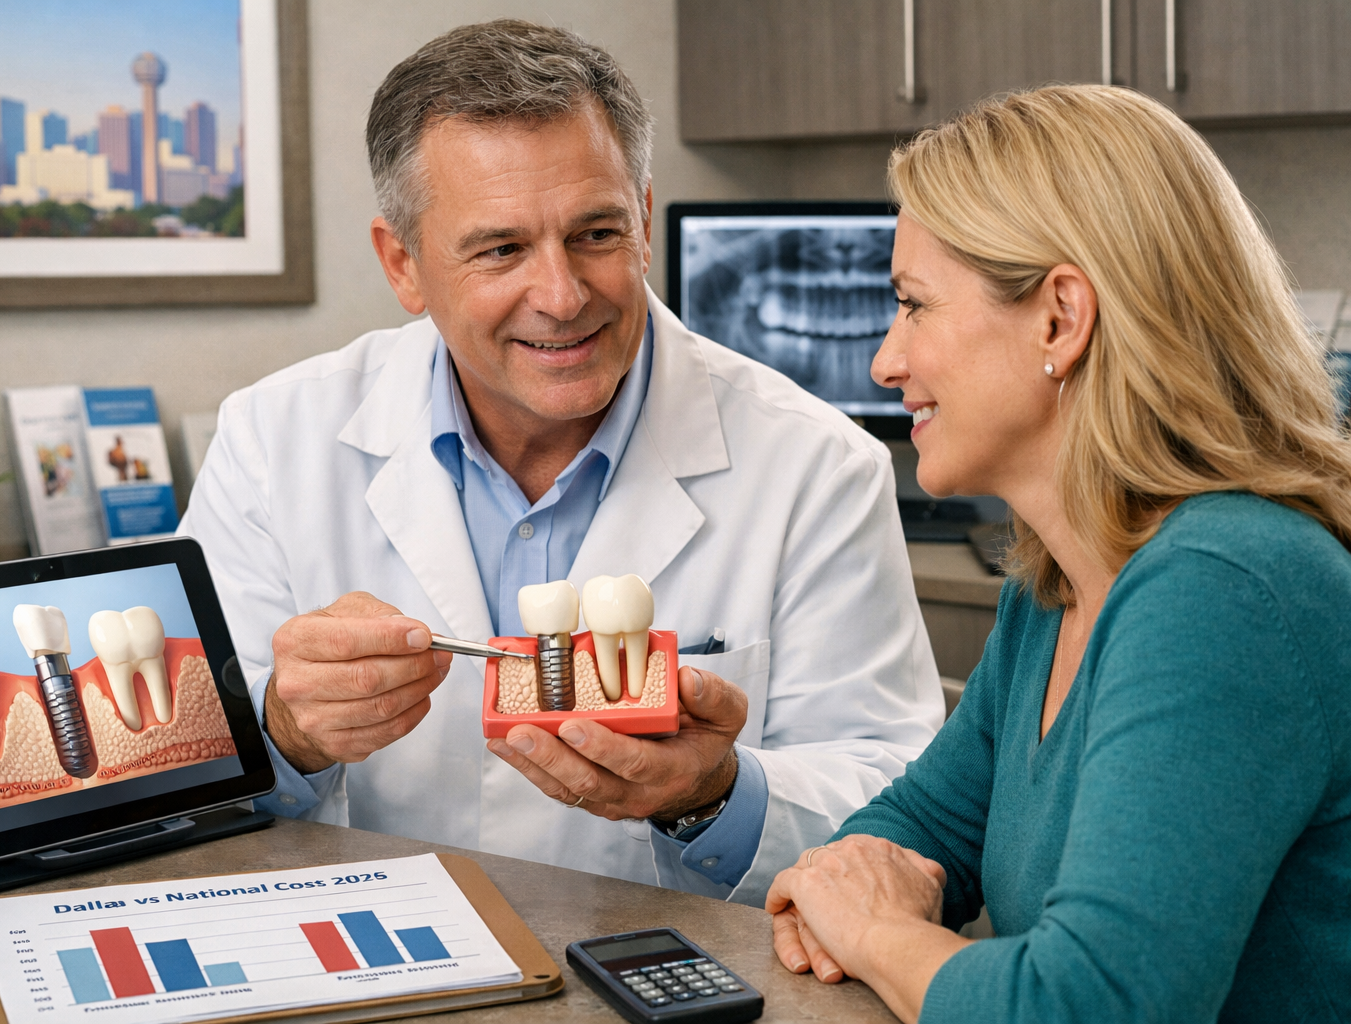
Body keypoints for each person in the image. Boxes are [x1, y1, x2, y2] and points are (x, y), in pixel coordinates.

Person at [180, 19, 942, 905]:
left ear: (646, 221)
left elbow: (901, 806)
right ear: (404, 264)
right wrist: (283, 732)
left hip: (668, 977)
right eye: (501, 249)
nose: (562, 295)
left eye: (595, 234)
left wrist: (713, 794)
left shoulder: (817, 466)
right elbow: (172, 785)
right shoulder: (275, 440)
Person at [764, 84, 1351, 1022]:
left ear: (1060, 319)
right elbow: (918, 830)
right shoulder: (1054, 583)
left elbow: (1090, 1006)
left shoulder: (1226, 588)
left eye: (915, 306)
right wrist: (848, 887)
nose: (885, 362)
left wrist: (877, 935)